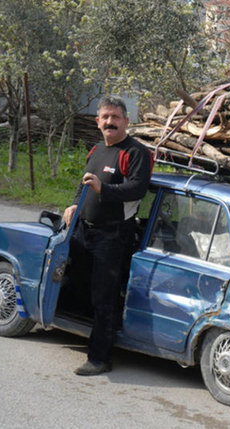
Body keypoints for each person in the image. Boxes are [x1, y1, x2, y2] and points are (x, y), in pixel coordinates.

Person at [63, 95, 153, 376]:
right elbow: (85, 183)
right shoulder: (95, 151)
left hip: (113, 236)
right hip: (84, 230)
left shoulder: (136, 152)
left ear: (127, 121)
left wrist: (105, 190)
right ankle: (78, 332)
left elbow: (138, 189)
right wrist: (75, 204)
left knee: (105, 296)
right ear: (97, 121)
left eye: (115, 117)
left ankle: (99, 358)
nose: (110, 122)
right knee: (75, 281)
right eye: (105, 117)